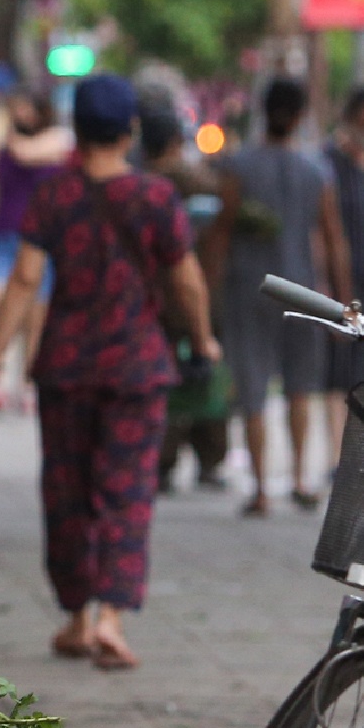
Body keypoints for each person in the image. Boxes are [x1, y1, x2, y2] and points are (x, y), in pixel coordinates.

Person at [0, 75, 220, 670]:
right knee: (127, 491)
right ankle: (112, 618)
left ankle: (77, 619)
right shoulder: (157, 198)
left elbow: (26, 280)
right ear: (130, 130)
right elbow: (184, 278)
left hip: (65, 369)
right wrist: (204, 338)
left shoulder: (54, 196)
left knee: (68, 492)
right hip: (137, 367)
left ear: (75, 130)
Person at [203, 79, 351, 517]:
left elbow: (221, 233)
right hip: (303, 291)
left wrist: (208, 293)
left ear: (262, 112)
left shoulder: (238, 167)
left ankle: (262, 488)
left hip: (250, 288)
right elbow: (333, 237)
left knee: (252, 387)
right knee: (300, 386)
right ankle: (302, 479)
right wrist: (343, 299)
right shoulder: (316, 171)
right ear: (302, 114)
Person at [140, 101, 232, 492]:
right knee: (203, 371)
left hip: (152, 295)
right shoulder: (188, 176)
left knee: (165, 380)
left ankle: (162, 461)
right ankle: (209, 460)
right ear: (177, 140)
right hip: (193, 286)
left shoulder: (138, 182)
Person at [0, 89, 75, 318]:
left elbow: (25, 153)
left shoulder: (58, 140)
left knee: (36, 313)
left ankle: (28, 355)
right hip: (2, 235)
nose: (20, 114)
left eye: (24, 108)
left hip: (43, 240)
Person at [321, 86, 364, 442]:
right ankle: (338, 452)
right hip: (338, 283)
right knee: (338, 371)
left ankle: (358, 449)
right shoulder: (330, 163)